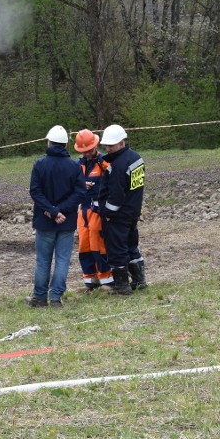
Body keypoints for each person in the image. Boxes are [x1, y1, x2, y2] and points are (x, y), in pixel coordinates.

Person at [26, 125, 86, 308]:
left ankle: (40, 297)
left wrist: (52, 211)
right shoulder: (74, 166)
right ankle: (56, 298)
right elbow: (80, 193)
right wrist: (61, 211)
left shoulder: (40, 164)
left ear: (49, 142)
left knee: (43, 261)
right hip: (66, 222)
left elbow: (35, 192)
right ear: (66, 144)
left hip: (45, 221)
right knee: (62, 260)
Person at [97, 124, 147, 294]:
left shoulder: (118, 165)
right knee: (132, 247)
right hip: (133, 212)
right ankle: (140, 281)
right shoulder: (136, 158)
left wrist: (108, 214)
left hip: (119, 216)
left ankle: (122, 287)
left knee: (117, 251)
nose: (107, 148)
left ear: (121, 143)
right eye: (106, 145)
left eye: (111, 145)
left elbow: (116, 196)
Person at [73, 129, 113, 290]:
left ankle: (106, 278)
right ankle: (90, 278)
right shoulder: (77, 165)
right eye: (84, 151)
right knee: (84, 244)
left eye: (89, 150)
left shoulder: (104, 162)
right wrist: (81, 185)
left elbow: (114, 182)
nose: (87, 154)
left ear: (95, 146)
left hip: (98, 210)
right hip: (83, 209)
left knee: (98, 243)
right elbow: (71, 184)